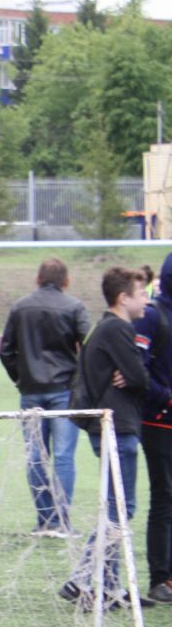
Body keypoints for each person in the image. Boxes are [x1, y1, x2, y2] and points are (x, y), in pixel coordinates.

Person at [61, 267, 153, 610]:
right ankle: (82, 579)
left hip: (113, 426)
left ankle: (111, 587)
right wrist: (133, 375)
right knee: (121, 508)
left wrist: (131, 375)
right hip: (117, 426)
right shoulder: (117, 328)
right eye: (141, 293)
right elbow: (139, 377)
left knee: (117, 507)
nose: (146, 299)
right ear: (122, 298)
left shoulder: (107, 328)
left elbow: (132, 375)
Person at [0, 258, 92, 537]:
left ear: (38, 279)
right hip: (64, 390)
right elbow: (89, 346)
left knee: (36, 457)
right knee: (64, 456)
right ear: (66, 280)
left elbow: (5, 351)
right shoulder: (75, 306)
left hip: (31, 391)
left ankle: (45, 520)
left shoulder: (20, 307)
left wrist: (21, 378)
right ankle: (62, 521)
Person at [133, 254, 172, 603]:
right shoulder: (151, 315)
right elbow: (137, 369)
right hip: (158, 421)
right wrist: (167, 398)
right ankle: (161, 579)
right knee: (164, 497)